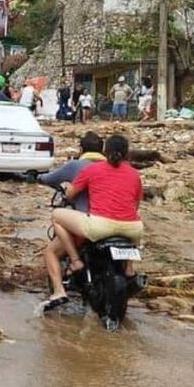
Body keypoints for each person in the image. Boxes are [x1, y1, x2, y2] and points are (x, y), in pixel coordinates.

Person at [42, 134, 144, 310]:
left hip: (100, 226)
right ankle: (129, 268)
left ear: (106, 152)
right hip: (133, 230)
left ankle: (71, 268)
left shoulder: (91, 170)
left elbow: (71, 194)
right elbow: (136, 204)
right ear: (127, 154)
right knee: (134, 221)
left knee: (57, 216)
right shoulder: (134, 174)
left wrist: (66, 190)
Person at [34, 132, 107, 309]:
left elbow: (51, 179)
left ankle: (60, 289)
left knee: (50, 252)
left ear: (81, 149)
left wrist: (37, 177)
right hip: (114, 221)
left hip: (88, 223)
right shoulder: (112, 168)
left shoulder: (76, 166)